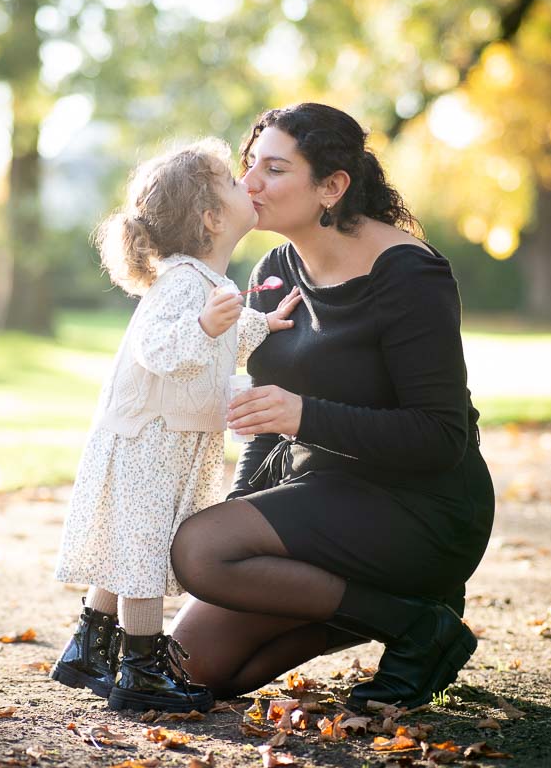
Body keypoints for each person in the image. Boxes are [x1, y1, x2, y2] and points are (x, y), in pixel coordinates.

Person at [168, 103, 496, 710]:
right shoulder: (274, 269)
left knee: (199, 548)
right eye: (248, 166)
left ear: (332, 186)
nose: (249, 184)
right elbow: (268, 421)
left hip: (421, 510)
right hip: (322, 501)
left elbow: (440, 436)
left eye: (273, 169)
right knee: (195, 670)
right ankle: (412, 615)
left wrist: (305, 417)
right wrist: (246, 514)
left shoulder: (410, 276)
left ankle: (417, 628)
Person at [50, 138, 303, 713]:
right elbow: (160, 349)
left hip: (162, 440)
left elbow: (210, 347)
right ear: (213, 218)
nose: (250, 186)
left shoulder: (202, 282)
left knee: (130, 545)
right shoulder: (184, 282)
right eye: (236, 184)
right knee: (141, 555)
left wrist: (258, 324)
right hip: (148, 442)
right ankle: (139, 668)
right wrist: (209, 325)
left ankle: (89, 650)